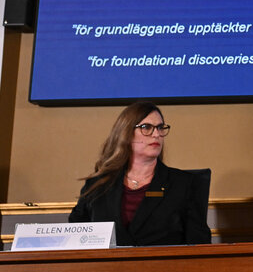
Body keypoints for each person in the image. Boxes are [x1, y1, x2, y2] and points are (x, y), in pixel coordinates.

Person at [69, 102, 212, 246]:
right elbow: (74, 239)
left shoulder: (183, 184)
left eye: (160, 128)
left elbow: (200, 245)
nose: (156, 134)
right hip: (107, 267)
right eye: (147, 127)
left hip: (164, 267)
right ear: (126, 133)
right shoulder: (97, 185)